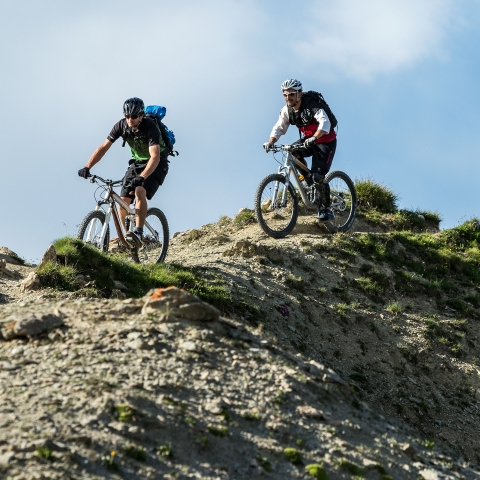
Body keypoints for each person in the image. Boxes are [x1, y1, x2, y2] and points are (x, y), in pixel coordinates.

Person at [78, 97, 169, 249]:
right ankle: (129, 238)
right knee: (122, 201)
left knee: (140, 190)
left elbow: (155, 156)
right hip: (137, 163)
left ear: (141, 116)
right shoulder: (121, 126)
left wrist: (142, 177)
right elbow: (103, 148)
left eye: (133, 116)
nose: (130, 119)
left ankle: (139, 232)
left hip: (157, 163)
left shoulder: (150, 126)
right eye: (127, 116)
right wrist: (87, 167)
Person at [264, 79, 337, 222]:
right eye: (285, 95)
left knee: (318, 176)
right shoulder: (287, 110)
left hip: (325, 141)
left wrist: (315, 137)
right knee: (292, 152)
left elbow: (325, 122)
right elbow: (279, 127)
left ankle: (326, 209)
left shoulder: (312, 105)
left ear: (300, 94)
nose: (288, 98)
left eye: (291, 94)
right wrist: (271, 142)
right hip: (309, 139)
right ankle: (307, 179)